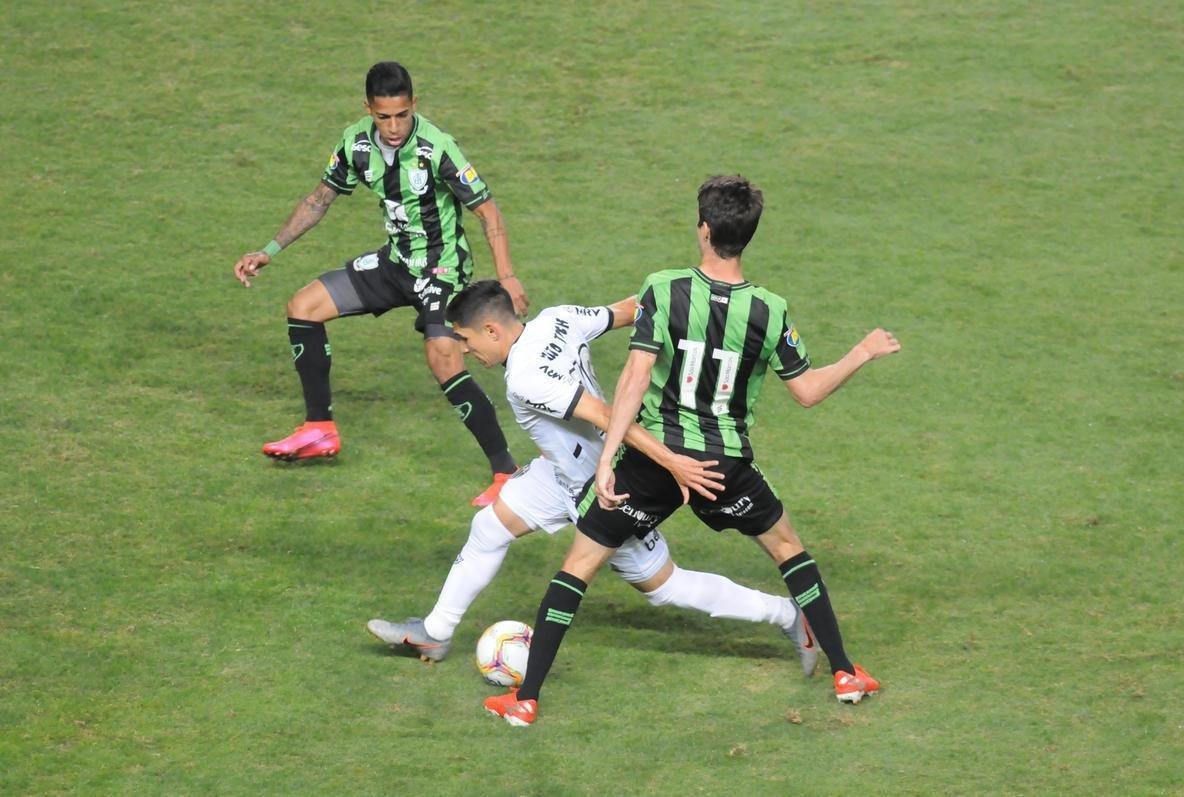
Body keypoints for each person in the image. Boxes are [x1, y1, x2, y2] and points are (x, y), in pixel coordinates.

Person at [485, 175, 901, 726]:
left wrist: (608, 459)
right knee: (787, 550)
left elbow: (634, 378)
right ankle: (845, 671)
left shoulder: (664, 288)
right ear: (746, 236)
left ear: (704, 230)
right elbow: (807, 391)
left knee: (579, 567)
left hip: (655, 459)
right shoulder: (770, 311)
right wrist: (861, 352)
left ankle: (526, 700)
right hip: (723, 465)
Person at [365, 281, 820, 678]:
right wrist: (689, 303)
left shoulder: (525, 377)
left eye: (465, 338)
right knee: (488, 527)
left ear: (491, 330)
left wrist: (672, 462)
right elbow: (628, 309)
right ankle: (435, 632)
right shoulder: (556, 319)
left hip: (603, 484)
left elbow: (605, 415)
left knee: (664, 586)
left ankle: (788, 616)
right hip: (559, 472)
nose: (463, 350)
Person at [232, 61, 526, 506]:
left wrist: (506, 276)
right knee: (303, 306)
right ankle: (319, 429)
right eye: (383, 116)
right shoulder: (355, 142)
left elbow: (488, 212)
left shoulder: (437, 148)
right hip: (395, 264)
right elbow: (318, 200)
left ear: (414, 106)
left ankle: (506, 472)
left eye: (402, 115)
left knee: (442, 357)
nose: (393, 127)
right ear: (368, 108)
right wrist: (268, 251)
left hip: (440, 270)